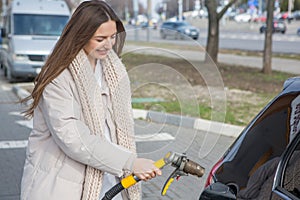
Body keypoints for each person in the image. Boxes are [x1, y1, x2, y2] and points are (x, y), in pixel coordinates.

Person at [20, 1, 161, 200]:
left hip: (109, 180)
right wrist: (130, 163)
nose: (109, 44)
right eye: (100, 38)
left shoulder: (113, 71)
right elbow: (73, 138)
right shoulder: (59, 76)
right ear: (81, 35)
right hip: (62, 185)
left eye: (112, 37)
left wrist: (130, 163)